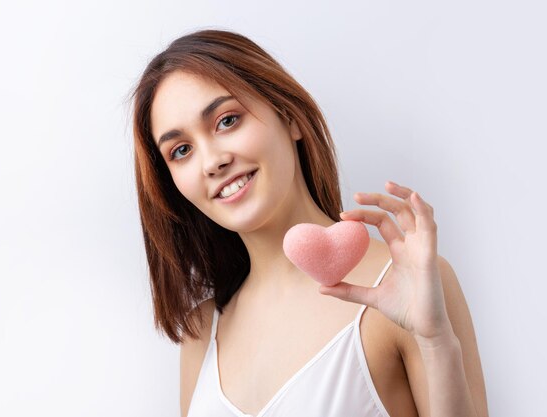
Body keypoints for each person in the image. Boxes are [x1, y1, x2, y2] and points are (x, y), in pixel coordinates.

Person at [130, 29, 488, 417]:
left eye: (227, 120)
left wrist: (435, 343)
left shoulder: (405, 284)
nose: (211, 161)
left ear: (289, 117)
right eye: (181, 150)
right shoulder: (203, 329)